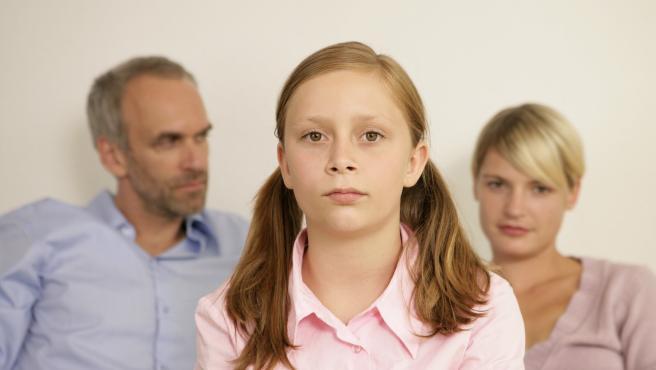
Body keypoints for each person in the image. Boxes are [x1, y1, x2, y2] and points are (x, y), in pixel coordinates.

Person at [194, 41, 525, 370]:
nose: (341, 160)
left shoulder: (485, 306)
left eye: (370, 136)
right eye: (314, 136)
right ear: (286, 165)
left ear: (413, 162)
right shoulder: (226, 319)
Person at [0, 56, 248, 370]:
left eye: (200, 137)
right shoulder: (36, 234)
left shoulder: (248, 245)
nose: (196, 161)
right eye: (169, 141)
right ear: (113, 156)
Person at [471, 103, 656, 369]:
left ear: (573, 192)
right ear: (476, 182)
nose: (514, 208)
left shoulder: (627, 290)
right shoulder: (443, 297)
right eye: (497, 184)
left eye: (540, 188)